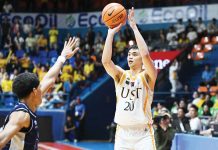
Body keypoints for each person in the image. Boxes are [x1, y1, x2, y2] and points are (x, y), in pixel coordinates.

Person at [0, 37, 79, 149]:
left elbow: (50, 79)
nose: (43, 88)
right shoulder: (21, 115)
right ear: (34, 91)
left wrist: (62, 57)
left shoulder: (29, 104)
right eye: (39, 87)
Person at [102, 7, 157, 150]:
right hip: (122, 133)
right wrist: (110, 34)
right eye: (129, 54)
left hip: (143, 134)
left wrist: (134, 27)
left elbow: (145, 55)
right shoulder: (121, 75)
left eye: (134, 54)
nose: (130, 56)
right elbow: (106, 62)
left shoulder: (148, 76)